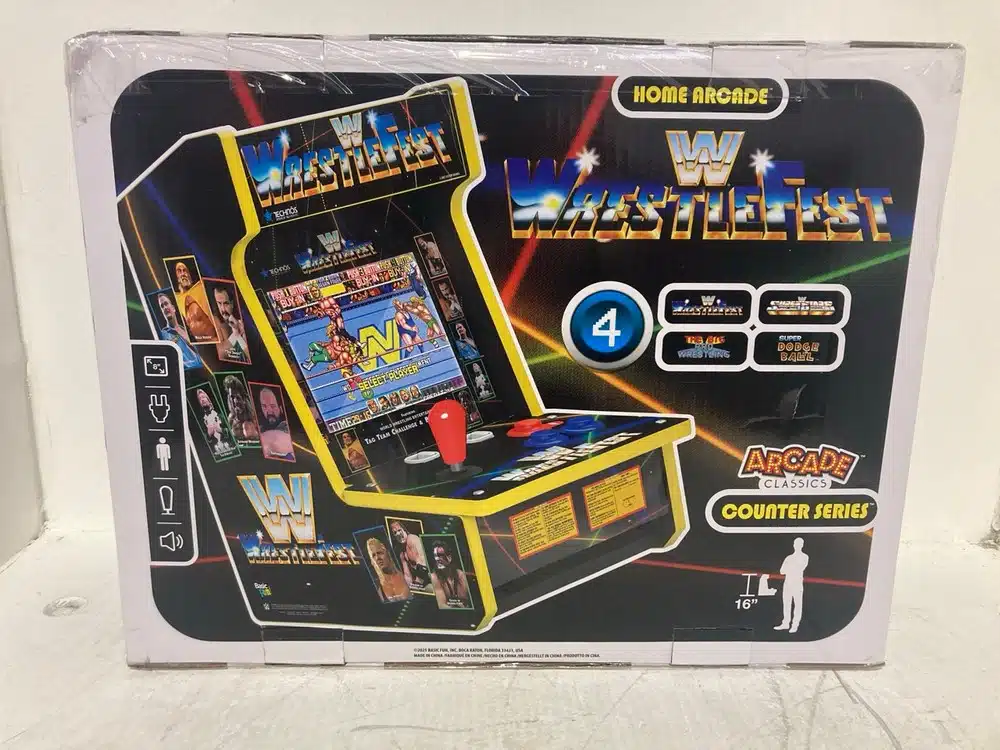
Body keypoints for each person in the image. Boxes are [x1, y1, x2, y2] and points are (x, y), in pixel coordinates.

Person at [154, 293, 201, 369]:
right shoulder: (163, 334)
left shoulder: (187, 330)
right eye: (162, 306)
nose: (164, 307)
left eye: (166, 304)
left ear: (173, 308)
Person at [775, 537, 809, 634]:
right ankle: (785, 623)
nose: (797, 545)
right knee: (786, 604)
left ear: (802, 545)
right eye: (795, 544)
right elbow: (782, 571)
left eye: (799, 544)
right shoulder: (789, 558)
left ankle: (795, 625)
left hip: (797, 584)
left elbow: (800, 568)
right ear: (794, 545)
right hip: (787, 584)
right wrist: (792, 567)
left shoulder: (804, 557)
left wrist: (790, 567)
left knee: (797, 605)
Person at [389, 521, 432, 591]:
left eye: (399, 530)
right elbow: (407, 575)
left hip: (430, 578)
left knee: (429, 588)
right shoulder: (402, 553)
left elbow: (423, 566)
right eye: (395, 532)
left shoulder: (412, 539)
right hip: (420, 582)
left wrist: (416, 585)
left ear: (404, 530)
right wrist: (408, 589)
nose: (398, 534)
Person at [430, 540, 471, 609]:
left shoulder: (460, 574)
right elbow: (441, 605)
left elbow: (466, 601)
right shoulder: (434, 577)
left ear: (449, 557)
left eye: (440, 555)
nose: (437, 559)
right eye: (435, 556)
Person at [366, 537, 409, 602]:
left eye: (379, 553)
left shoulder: (406, 573)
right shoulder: (377, 590)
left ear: (387, 553)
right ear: (372, 562)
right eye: (373, 556)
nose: (377, 558)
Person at [212, 285, 249, 361]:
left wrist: (238, 333)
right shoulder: (215, 320)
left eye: (226, 303)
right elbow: (220, 353)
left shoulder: (244, 318)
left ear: (232, 303)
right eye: (219, 303)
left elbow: (251, 354)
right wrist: (236, 334)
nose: (222, 309)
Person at [257, 387, 294, 460]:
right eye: (264, 406)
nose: (269, 411)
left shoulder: (288, 426)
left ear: (281, 408)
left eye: (273, 406)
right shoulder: (260, 428)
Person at [196, 388, 232, 455]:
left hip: (229, 448)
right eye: (200, 399)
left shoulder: (221, 415)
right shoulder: (201, 422)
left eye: (203, 397)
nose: (202, 400)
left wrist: (221, 430)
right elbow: (201, 444)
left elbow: (232, 433)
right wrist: (209, 435)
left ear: (208, 400)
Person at [223, 375, 258, 442]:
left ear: (244, 398)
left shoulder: (255, 417)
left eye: (237, 397)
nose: (235, 401)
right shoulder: (230, 420)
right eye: (232, 397)